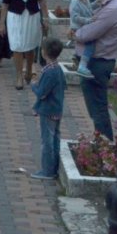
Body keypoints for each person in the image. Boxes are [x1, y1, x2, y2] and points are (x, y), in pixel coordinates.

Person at [69, 0, 117, 141]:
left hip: (97, 62)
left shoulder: (113, 8)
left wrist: (75, 34)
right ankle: (102, 141)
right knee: (96, 107)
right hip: (100, 60)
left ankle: (105, 144)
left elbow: (89, 33)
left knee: (98, 108)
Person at [0, 0, 48, 91]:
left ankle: (29, 70)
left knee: (30, 45)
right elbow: (5, 4)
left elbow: (42, 1)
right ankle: (19, 75)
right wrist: (1, 23)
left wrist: (45, 18)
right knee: (17, 46)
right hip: (15, 17)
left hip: (32, 16)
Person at [31, 38, 66, 180]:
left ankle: (47, 171)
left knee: (47, 141)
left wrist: (33, 84)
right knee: (55, 138)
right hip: (57, 108)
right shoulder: (57, 69)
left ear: (44, 53)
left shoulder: (49, 72)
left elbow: (41, 93)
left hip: (48, 110)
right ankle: (54, 167)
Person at [68, 0, 96, 79]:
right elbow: (75, 17)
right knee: (90, 42)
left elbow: (87, 8)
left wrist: (95, 4)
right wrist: (88, 20)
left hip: (83, 26)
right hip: (78, 27)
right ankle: (82, 65)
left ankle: (77, 57)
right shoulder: (75, 2)